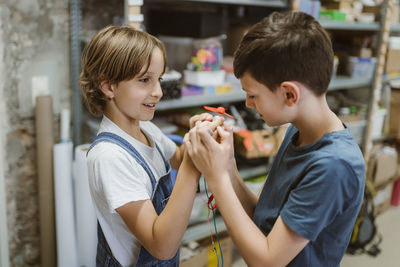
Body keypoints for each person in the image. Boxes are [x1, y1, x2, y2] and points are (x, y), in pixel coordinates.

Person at [185, 11, 366, 267]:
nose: (248, 104)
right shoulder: (298, 131)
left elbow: (267, 261)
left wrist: (215, 178)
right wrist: (226, 167)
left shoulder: (334, 165)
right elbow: (265, 220)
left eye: (253, 95)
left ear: (289, 94)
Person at [79, 25, 223, 266]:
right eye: (144, 80)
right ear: (108, 86)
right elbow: (161, 246)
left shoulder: (146, 129)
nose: (157, 92)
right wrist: (191, 164)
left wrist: (197, 135)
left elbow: (177, 157)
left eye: (159, 79)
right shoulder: (110, 157)